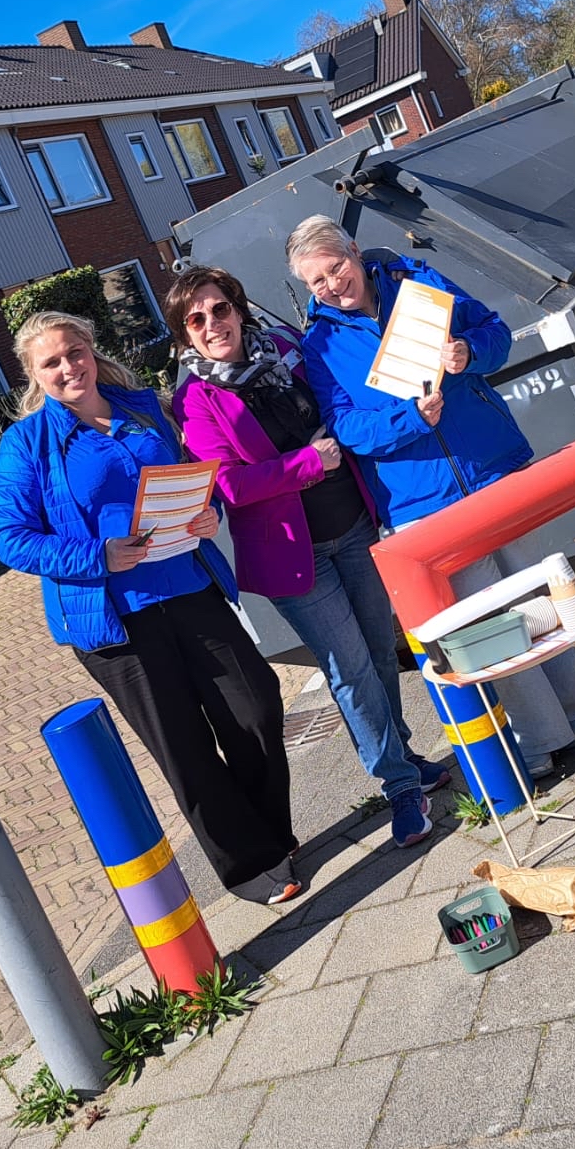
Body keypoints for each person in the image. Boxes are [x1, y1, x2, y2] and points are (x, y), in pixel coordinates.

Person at [0, 309, 302, 904]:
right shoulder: (26, 444)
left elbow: (189, 478)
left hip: (190, 588)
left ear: (91, 350)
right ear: (34, 374)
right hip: (116, 622)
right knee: (183, 746)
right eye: (51, 362)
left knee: (255, 707)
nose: (68, 367)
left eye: (75, 352)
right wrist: (99, 555)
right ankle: (250, 864)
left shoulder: (143, 409)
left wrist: (206, 512)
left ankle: (270, 832)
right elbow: (11, 538)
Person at [287, 216, 575, 780]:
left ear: (354, 251)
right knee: (489, 621)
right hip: (424, 501)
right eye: (317, 282)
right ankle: (542, 738)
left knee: (540, 596)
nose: (333, 285)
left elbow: (495, 334)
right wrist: (410, 418)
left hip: (492, 466)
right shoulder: (321, 345)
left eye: (336, 268)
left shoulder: (420, 283)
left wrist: (467, 351)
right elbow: (347, 429)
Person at [165, 264, 452, 850]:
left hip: (354, 523)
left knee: (380, 649)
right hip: (294, 557)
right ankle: (399, 784)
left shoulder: (286, 348)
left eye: (220, 309)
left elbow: (341, 401)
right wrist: (307, 464)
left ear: (238, 307)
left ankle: (403, 755)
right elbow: (230, 485)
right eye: (196, 319)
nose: (212, 324)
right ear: (184, 333)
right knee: (349, 668)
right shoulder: (194, 399)